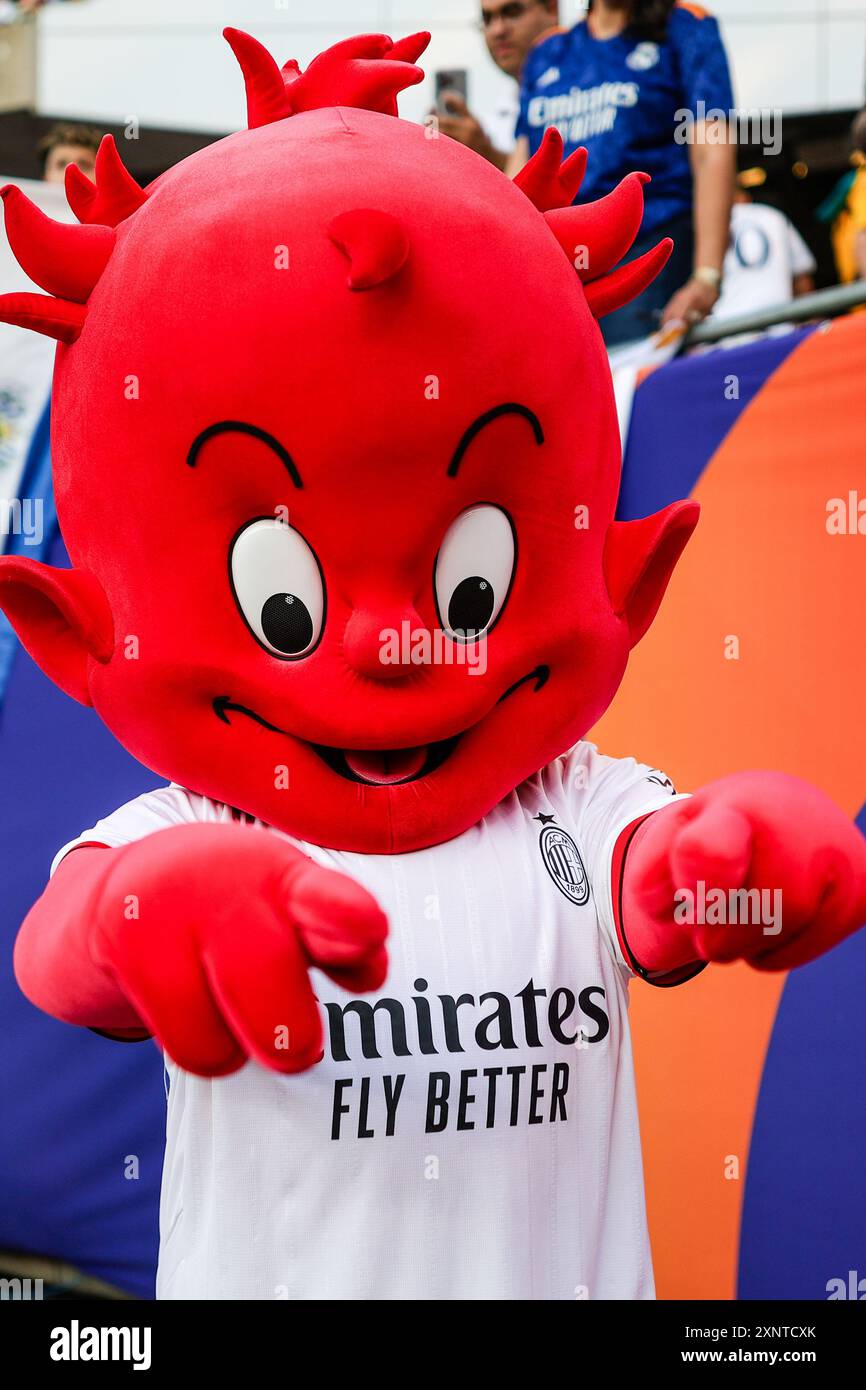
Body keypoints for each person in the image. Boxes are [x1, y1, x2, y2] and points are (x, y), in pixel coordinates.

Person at [2, 26, 865, 1303]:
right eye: (282, 606)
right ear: (75, 627)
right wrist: (145, 917)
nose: (385, 646)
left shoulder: (578, 802)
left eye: (473, 584)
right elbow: (66, 939)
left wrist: (726, 860)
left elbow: (653, 880)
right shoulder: (196, 820)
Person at [509, 0, 736, 346]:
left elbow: (712, 150)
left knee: (624, 393)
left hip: (646, 257)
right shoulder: (547, 51)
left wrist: (706, 277)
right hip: (556, 272)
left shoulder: (687, 26)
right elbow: (520, 180)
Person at [435, 0, 560, 170]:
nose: (497, 30)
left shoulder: (592, 89)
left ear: (552, 9)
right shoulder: (492, 123)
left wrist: (486, 156)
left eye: (512, 12)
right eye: (487, 19)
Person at [709, 179, 815, 326]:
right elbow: (802, 282)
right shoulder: (774, 216)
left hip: (725, 331)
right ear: (745, 197)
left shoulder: (706, 228)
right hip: (779, 325)